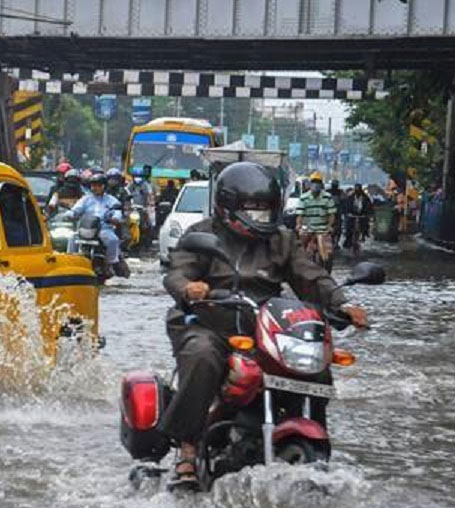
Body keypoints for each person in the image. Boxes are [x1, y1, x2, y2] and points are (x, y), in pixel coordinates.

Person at [158, 161, 369, 488]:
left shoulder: (281, 240)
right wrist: (188, 287)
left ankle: (308, 432)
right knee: (202, 356)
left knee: (315, 363)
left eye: (267, 211)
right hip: (208, 320)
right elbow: (177, 271)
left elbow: (310, 277)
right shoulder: (201, 235)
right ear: (227, 208)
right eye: (253, 212)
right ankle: (188, 446)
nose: (262, 219)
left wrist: (343, 304)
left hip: (262, 325)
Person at [62, 172, 121, 274]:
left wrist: (115, 218)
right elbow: (76, 209)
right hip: (86, 228)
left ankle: (111, 263)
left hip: (103, 228)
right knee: (72, 238)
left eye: (98, 185)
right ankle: (70, 262)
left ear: (104, 186)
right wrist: (69, 215)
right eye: (93, 185)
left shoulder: (111, 200)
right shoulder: (85, 199)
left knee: (113, 240)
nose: (95, 188)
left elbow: (117, 212)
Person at [296, 171, 337, 269]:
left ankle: (326, 269)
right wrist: (299, 225)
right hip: (308, 228)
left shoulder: (327, 197)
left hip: (323, 229)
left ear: (321, 184)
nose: (315, 185)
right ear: (310, 184)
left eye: (318, 182)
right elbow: (300, 215)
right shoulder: (304, 198)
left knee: (329, 253)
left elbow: (331, 214)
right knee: (300, 249)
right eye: (313, 182)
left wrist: (330, 226)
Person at [343, 182, 374, 250]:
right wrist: (348, 213)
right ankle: (348, 239)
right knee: (348, 227)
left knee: (364, 225)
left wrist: (367, 214)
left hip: (362, 215)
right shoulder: (350, 198)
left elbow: (369, 206)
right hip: (352, 216)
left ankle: (364, 234)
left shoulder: (365, 198)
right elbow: (346, 206)